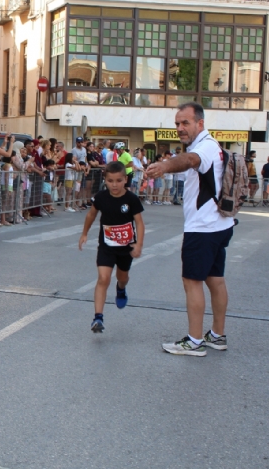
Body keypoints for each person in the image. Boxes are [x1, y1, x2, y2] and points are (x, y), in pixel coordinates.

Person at [145, 102, 234, 357]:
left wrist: (164, 166)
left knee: (192, 281)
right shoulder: (210, 144)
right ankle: (217, 336)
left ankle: (195, 341)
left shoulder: (203, 148)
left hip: (203, 228)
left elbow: (189, 160)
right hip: (220, 224)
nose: (180, 128)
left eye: (185, 123)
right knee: (215, 280)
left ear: (200, 123)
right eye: (177, 123)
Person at [78, 161, 145, 333]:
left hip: (126, 247)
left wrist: (138, 244)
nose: (114, 185)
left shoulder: (131, 199)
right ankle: (98, 317)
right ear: (105, 180)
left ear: (125, 180)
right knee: (103, 278)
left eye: (118, 180)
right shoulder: (101, 197)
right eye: (110, 181)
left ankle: (121, 289)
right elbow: (91, 215)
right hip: (106, 246)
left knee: (122, 277)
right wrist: (84, 233)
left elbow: (139, 223)